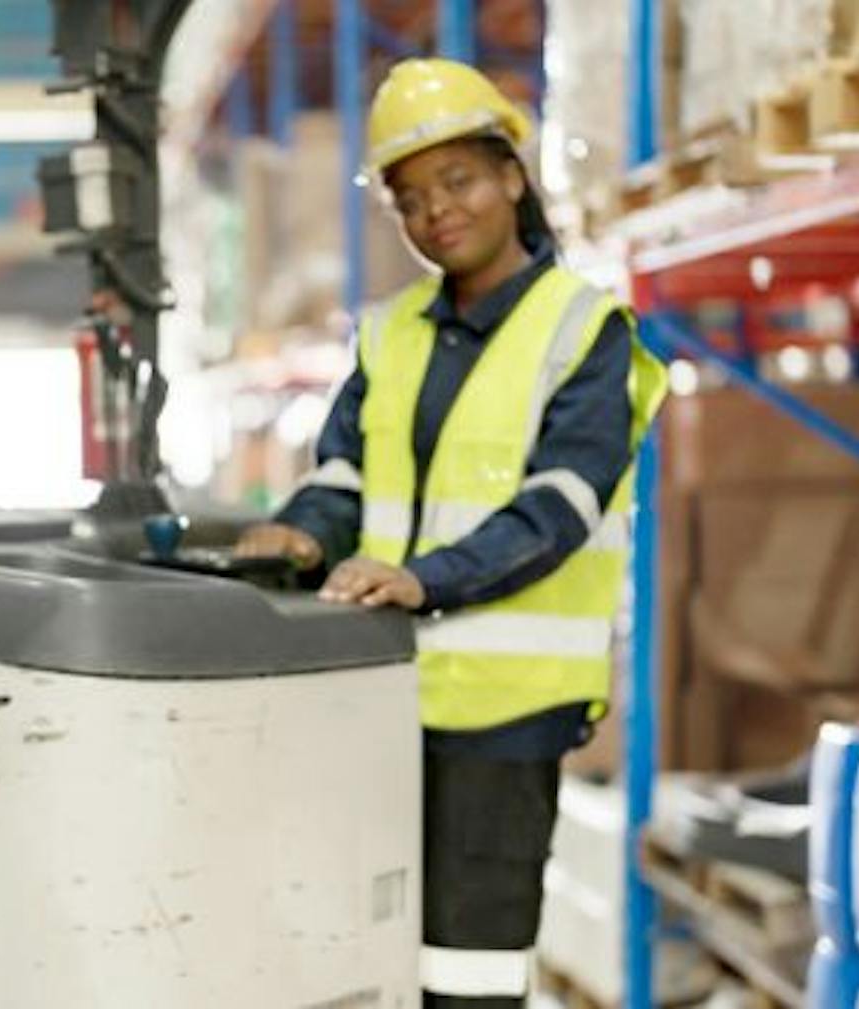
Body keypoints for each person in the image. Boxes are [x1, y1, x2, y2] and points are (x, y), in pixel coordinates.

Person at [237, 59, 666, 1007]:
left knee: (467, 973)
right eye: (410, 198)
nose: (437, 212)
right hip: (380, 697)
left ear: (513, 174)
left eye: (459, 181)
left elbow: (558, 509)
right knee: (365, 951)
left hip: (506, 717)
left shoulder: (584, 330)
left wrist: (424, 579)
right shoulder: (391, 334)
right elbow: (342, 478)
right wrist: (300, 537)